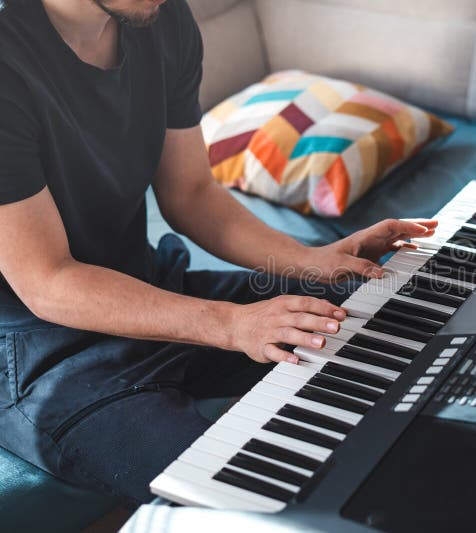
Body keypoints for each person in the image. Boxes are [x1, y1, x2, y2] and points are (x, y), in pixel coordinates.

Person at [0, 0, 436, 503]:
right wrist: (232, 325)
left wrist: (313, 260)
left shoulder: (162, 20)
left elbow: (191, 193)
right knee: (244, 491)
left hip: (152, 288)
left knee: (384, 308)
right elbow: (48, 281)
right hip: (43, 355)